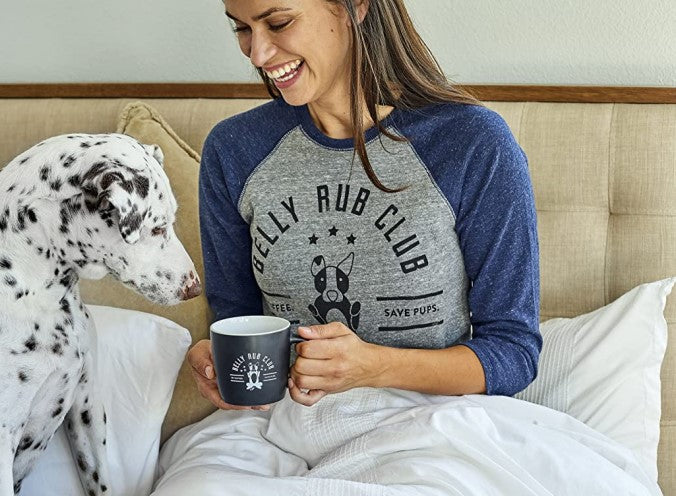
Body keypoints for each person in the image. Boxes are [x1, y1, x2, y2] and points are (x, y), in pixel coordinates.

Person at [187, 0, 541, 411]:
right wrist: (216, 360)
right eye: (242, 30)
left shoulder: (471, 143)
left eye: (279, 23)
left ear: (355, 7)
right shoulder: (233, 150)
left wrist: (372, 367)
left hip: (434, 420)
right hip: (284, 424)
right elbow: (236, 322)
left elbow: (513, 354)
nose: (258, 54)